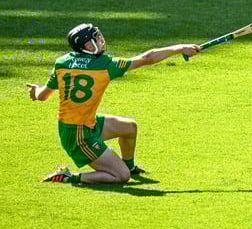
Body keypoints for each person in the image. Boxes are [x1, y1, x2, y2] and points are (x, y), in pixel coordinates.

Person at [27, 23, 200, 184]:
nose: (101, 40)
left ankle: (130, 167)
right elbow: (147, 58)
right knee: (120, 176)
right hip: (78, 135)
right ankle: (69, 177)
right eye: (97, 38)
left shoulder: (62, 63)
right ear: (88, 46)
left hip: (83, 124)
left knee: (129, 128)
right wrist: (179, 48)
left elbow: (42, 96)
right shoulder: (106, 65)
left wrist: (36, 90)